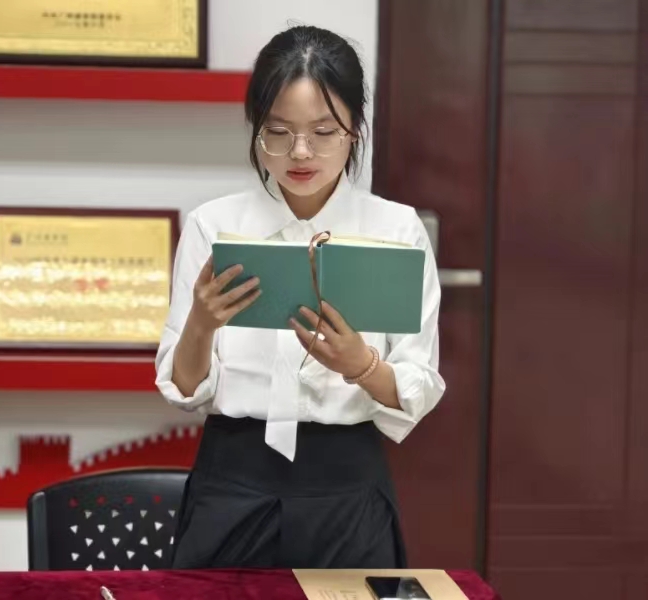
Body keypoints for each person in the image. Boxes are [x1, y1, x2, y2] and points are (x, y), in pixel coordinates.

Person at [155, 25, 446, 569]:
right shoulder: (214, 226)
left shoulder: (396, 230)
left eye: (323, 131)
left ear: (355, 129)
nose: (300, 151)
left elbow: (419, 385)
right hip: (231, 482)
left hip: (349, 489)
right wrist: (200, 323)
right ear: (256, 128)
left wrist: (361, 366)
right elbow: (185, 390)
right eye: (278, 131)